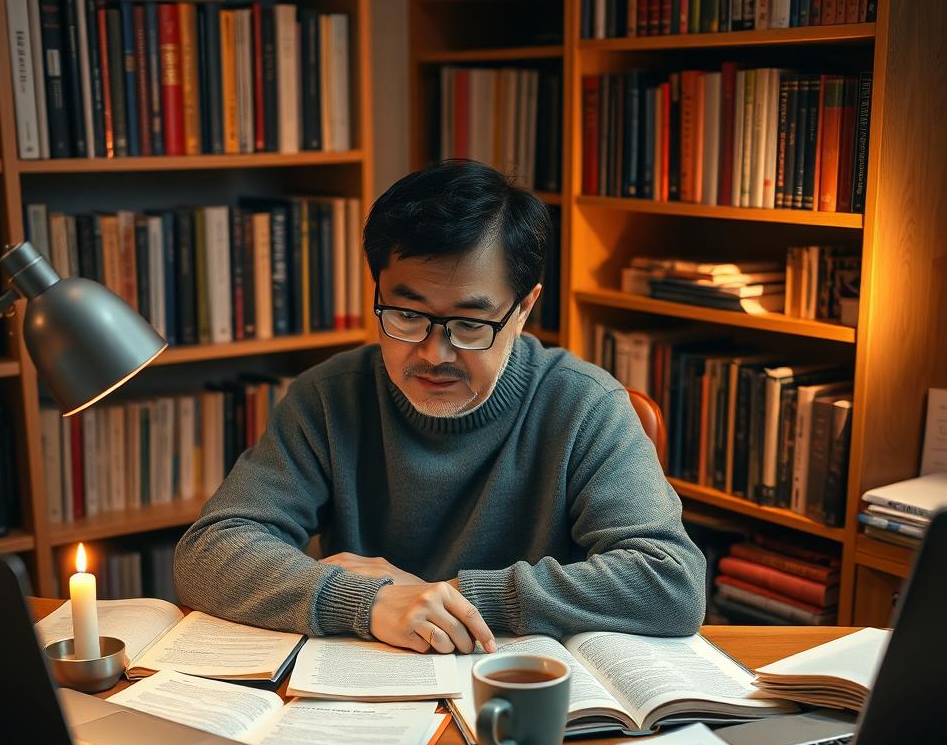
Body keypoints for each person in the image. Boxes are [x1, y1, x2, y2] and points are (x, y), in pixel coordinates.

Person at [173, 160, 706, 654]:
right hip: (364, 694)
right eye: (406, 314)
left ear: (523, 309)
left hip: (521, 690)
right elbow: (208, 554)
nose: (433, 353)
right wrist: (368, 602)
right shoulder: (328, 397)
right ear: (377, 291)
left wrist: (449, 596)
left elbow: (671, 582)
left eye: (470, 324)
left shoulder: (585, 406)